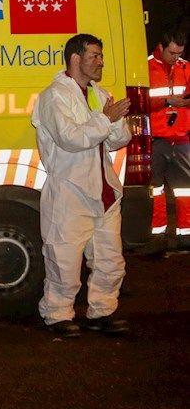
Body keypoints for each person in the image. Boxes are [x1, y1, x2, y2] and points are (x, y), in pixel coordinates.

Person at [31, 33, 132, 338]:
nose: (100, 62)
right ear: (75, 59)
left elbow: (118, 139)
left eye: (101, 56)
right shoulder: (53, 97)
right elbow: (70, 138)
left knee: (110, 259)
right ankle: (57, 314)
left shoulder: (99, 95)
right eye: (94, 56)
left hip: (104, 192)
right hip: (70, 191)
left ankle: (102, 311)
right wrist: (105, 120)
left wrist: (114, 121)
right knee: (63, 258)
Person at [147, 28, 189, 248]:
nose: (176, 57)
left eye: (179, 53)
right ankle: (157, 235)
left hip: (181, 138)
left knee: (185, 190)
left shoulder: (186, 67)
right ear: (160, 47)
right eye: (172, 53)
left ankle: (185, 235)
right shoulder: (145, 67)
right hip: (155, 139)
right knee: (155, 189)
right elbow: (139, 101)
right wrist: (166, 102)